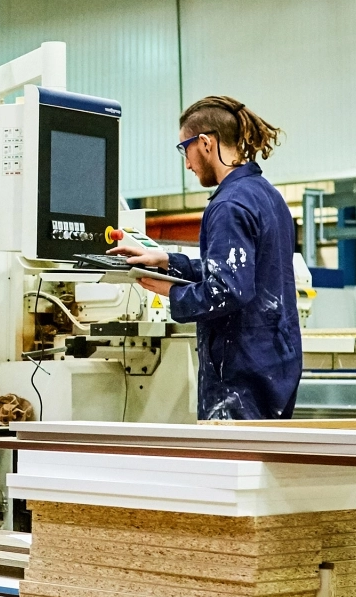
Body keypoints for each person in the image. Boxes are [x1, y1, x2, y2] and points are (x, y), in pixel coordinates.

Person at [109, 96, 302, 420]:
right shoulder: (267, 196)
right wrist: (168, 261)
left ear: (205, 143)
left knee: (234, 467)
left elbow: (227, 290)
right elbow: (241, 270)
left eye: (185, 149)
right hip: (275, 368)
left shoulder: (229, 205)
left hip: (239, 376)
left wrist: (171, 291)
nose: (187, 163)